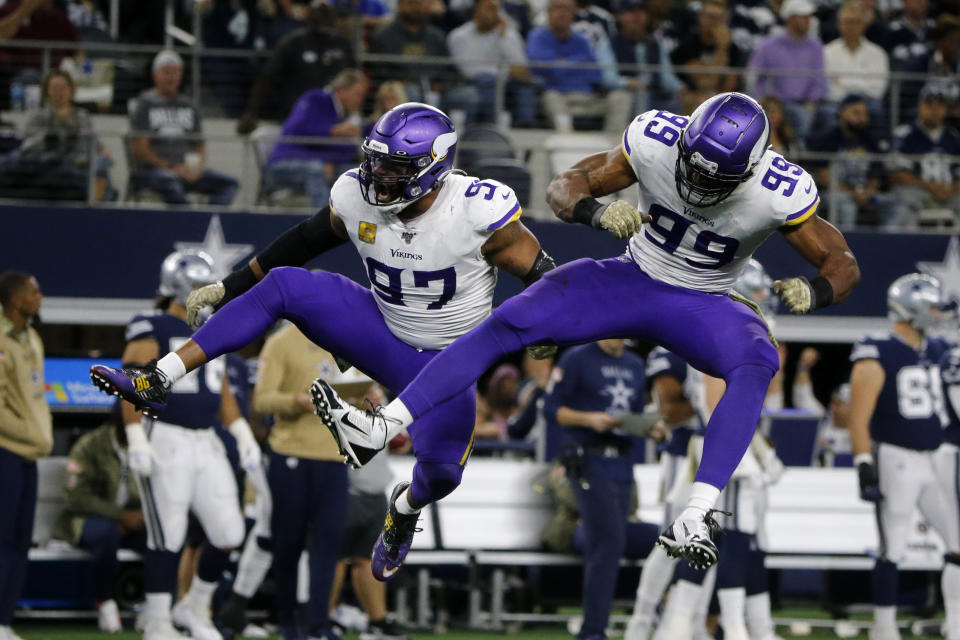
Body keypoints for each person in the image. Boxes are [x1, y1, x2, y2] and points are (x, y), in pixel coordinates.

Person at [310, 91, 861, 572]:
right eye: (692, 165)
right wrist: (595, 213)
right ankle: (381, 427)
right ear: (684, 141)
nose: (696, 181)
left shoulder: (779, 190)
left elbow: (841, 259)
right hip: (633, 276)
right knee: (511, 321)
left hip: (704, 300)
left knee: (756, 361)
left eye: (715, 177)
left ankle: (696, 513)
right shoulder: (654, 138)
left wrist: (818, 290)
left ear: (754, 167)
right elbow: (564, 185)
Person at [88, 102, 556, 585]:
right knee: (287, 284)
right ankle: (160, 376)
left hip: (447, 361)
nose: (378, 174)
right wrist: (228, 287)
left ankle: (403, 508)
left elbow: (546, 277)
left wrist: (545, 329)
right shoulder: (356, 194)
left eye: (394, 165)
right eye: (375, 159)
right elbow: (302, 240)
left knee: (441, 475)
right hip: (379, 330)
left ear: (433, 169)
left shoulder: (478, 210)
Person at [91, 251, 259, 640]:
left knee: (229, 532)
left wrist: (241, 432)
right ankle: (156, 619)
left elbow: (218, 387)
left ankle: (194, 606)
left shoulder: (210, 324)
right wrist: (135, 436)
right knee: (167, 534)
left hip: (206, 440)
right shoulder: (152, 324)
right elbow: (131, 381)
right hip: (165, 436)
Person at [625, 259, 782, 640]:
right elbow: (685, 408)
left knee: (716, 539)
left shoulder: (732, 332)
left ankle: (690, 625)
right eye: (755, 293)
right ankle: (647, 621)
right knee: (677, 542)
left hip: (717, 446)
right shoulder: (695, 333)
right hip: (690, 452)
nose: (761, 302)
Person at [847, 273, 960, 640]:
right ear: (910, 309)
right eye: (931, 306)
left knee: (957, 544)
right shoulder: (876, 349)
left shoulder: (939, 349)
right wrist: (864, 466)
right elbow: (858, 416)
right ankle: (884, 627)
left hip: (937, 458)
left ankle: (954, 624)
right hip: (896, 457)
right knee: (893, 546)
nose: (938, 313)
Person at [247, 321, 359, 640]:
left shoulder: (341, 339)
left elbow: (356, 386)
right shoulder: (281, 342)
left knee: (328, 545)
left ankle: (318, 624)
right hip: (291, 453)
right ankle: (286, 622)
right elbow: (262, 400)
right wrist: (297, 401)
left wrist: (367, 394)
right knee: (288, 543)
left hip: (335, 457)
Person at [542, 338, 649, 640]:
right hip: (588, 460)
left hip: (623, 462)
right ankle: (592, 630)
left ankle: (597, 626)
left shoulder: (635, 364)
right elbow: (550, 409)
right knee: (608, 542)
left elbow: (636, 414)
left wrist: (650, 427)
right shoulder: (576, 358)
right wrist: (588, 419)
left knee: (612, 541)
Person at [330, 383, 411, 640]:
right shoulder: (341, 381)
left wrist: (379, 407)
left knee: (368, 559)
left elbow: (401, 441)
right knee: (335, 558)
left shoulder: (374, 384)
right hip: (345, 486)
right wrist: (356, 400)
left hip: (375, 488)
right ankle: (321, 619)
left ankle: (377, 621)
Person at [52, 420, 147, 634]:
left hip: (132, 520)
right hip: (85, 520)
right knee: (107, 534)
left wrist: (139, 517)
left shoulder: (145, 445)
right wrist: (120, 516)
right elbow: (77, 499)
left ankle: (155, 605)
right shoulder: (91, 445)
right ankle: (105, 602)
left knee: (163, 537)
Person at [0, 271, 51, 640]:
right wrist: (32, 433)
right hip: (5, 452)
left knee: (20, 539)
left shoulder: (32, 337)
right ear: (16, 300)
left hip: (30, 454)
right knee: (2, 539)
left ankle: (4, 619)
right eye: (34, 292)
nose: (40, 297)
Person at [128, 50, 239, 206]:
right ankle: (190, 219)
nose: (171, 77)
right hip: (153, 172)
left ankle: (206, 220)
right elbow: (139, 149)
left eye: (175, 72)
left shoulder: (189, 106)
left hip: (185, 170)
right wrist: (171, 167)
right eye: (166, 72)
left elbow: (199, 146)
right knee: (169, 181)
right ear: (155, 75)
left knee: (230, 183)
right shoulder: (145, 103)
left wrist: (196, 168)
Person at [237, 0, 356, 134]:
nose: (320, 19)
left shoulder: (342, 44)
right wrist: (251, 113)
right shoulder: (293, 42)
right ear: (309, 17)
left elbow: (355, 77)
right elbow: (267, 76)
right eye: (316, 15)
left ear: (332, 18)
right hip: (298, 112)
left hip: (336, 114)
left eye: (324, 15)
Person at [263, 68, 369, 208]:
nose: (360, 100)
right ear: (341, 90)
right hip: (281, 166)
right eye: (357, 94)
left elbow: (347, 152)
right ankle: (324, 224)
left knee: (357, 174)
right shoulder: (315, 99)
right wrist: (333, 131)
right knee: (316, 170)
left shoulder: (346, 116)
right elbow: (295, 128)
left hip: (322, 164)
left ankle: (355, 221)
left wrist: (331, 159)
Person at [10, 68, 116, 202]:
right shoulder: (39, 117)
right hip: (53, 166)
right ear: (46, 92)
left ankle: (99, 208)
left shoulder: (82, 116)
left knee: (101, 166)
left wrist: (103, 153)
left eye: (63, 88)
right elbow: (27, 147)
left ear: (71, 90)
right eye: (55, 88)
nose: (59, 93)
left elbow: (95, 144)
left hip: (82, 166)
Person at [526, 0, 630, 133]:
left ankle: (611, 145)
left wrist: (560, 64)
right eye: (558, 8)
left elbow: (595, 74)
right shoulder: (537, 36)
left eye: (567, 9)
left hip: (588, 98)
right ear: (549, 12)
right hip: (558, 98)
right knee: (551, 98)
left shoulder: (581, 41)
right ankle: (566, 141)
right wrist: (578, 62)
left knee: (621, 97)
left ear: (573, 13)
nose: (562, 13)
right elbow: (542, 68)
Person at [806, 93, 902, 228]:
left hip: (865, 194)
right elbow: (823, 176)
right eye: (856, 113)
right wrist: (852, 194)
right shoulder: (826, 139)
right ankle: (843, 248)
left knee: (896, 205)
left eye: (864, 114)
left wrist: (869, 192)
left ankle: (884, 244)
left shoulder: (871, 140)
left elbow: (876, 173)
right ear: (842, 113)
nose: (862, 118)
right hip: (835, 193)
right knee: (847, 205)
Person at [446, 0, 536, 127]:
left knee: (525, 88)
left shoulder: (507, 34)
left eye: (496, 9)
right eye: (489, 8)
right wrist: (505, 71)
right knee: (487, 80)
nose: (494, 13)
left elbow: (522, 69)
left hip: (505, 83)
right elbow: (468, 71)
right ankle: (493, 126)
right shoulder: (459, 36)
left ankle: (526, 129)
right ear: (476, 12)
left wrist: (503, 38)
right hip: (470, 84)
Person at [746, 0, 826, 141]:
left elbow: (819, 80)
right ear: (789, 18)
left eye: (809, 17)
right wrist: (762, 100)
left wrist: (812, 102)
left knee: (807, 116)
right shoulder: (769, 45)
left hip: (803, 104)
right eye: (803, 17)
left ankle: (798, 153)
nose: (808, 21)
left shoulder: (815, 46)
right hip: (773, 102)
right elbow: (753, 76)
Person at [889, 83, 960, 222]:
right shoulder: (905, 134)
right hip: (917, 192)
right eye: (929, 104)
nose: (934, 109)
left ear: (946, 109)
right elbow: (897, 174)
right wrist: (929, 187)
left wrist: (951, 188)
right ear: (920, 105)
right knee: (904, 199)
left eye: (939, 105)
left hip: (949, 194)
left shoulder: (954, 137)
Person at [821, 0, 889, 131]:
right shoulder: (826, 52)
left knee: (877, 110)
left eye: (856, 22)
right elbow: (827, 87)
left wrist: (846, 86)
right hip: (836, 103)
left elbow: (878, 88)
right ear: (839, 25)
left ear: (864, 25)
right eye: (847, 22)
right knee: (827, 113)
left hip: (868, 103)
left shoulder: (878, 53)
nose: (851, 26)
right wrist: (855, 90)